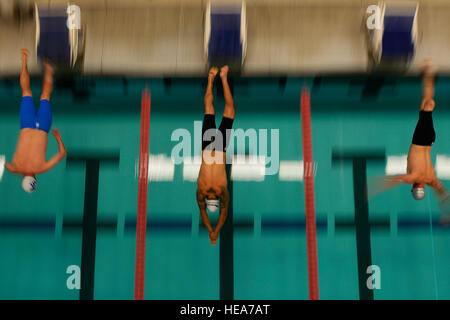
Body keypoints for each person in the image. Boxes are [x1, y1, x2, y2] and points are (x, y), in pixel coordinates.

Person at [370, 59, 449, 224]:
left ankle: (427, 76)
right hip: (421, 139)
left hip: (429, 140)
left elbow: (442, 191)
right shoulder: (413, 177)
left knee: (425, 105)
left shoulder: (431, 180)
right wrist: (376, 187)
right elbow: (395, 180)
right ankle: (429, 72)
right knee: (428, 105)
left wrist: (444, 204)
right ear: (415, 188)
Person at [5, 49, 66, 193]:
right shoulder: (14, 168)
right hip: (26, 124)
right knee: (26, 92)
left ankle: (49, 69)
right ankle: (24, 58)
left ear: (35, 180)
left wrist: (58, 138)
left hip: (42, 127)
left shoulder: (41, 169)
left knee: (45, 95)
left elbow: (62, 154)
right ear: (22, 179)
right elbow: (3, 164)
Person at [196, 65, 235, 245]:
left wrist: (215, 230)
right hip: (207, 148)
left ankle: (223, 78)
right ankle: (211, 79)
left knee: (229, 111)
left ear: (217, 201)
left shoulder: (222, 191)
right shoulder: (201, 191)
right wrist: (212, 230)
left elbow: (224, 214)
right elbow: (203, 212)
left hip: (219, 150)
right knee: (209, 109)